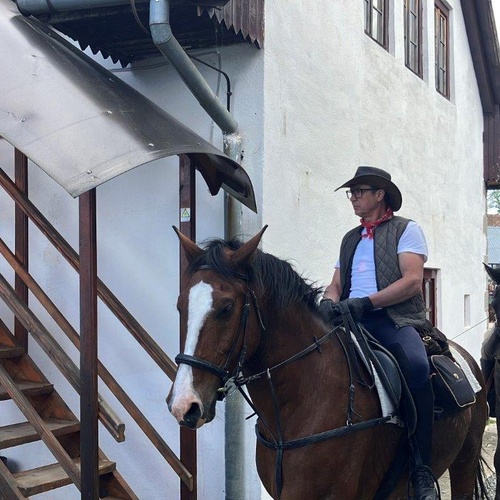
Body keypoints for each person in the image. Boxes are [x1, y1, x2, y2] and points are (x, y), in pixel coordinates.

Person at [318, 166, 438, 500]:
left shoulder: (406, 229)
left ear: (380, 194)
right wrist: (328, 302)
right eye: (351, 193)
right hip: (348, 319)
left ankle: (422, 468)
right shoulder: (349, 238)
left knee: (417, 367)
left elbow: (412, 281)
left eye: (359, 192)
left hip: (392, 318)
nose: (353, 198)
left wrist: (366, 303)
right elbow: (336, 284)